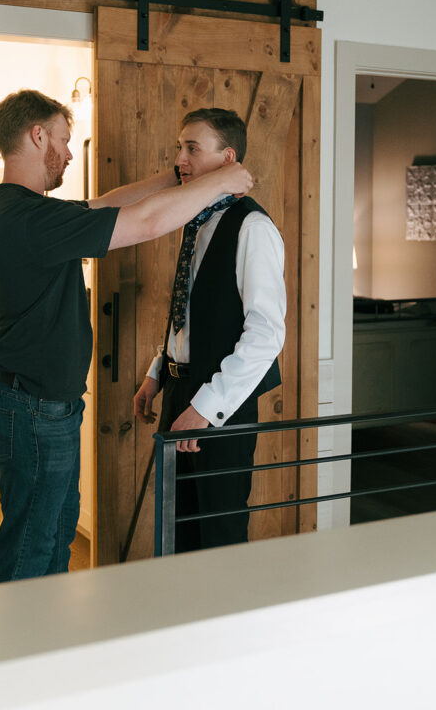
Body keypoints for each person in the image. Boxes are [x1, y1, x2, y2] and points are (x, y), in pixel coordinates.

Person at [0, 89, 253, 584]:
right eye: (62, 139)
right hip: (32, 404)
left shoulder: (24, 209)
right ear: (37, 136)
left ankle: (43, 647)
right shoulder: (31, 218)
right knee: (31, 547)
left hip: (37, 401)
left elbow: (105, 204)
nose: (65, 151)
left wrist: (176, 177)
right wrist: (222, 181)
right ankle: (11, 652)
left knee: (50, 536)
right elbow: (143, 221)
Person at [134, 108, 286, 552]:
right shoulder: (196, 222)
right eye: (179, 148)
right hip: (179, 394)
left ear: (228, 159)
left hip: (222, 405)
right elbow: (191, 311)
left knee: (218, 538)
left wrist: (205, 409)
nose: (179, 159)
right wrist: (156, 372)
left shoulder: (253, 228)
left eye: (191, 148)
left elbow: (265, 335)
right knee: (176, 532)